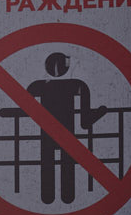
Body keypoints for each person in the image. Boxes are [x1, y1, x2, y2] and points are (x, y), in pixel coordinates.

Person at [25, 52, 107, 204]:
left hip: (46, 136)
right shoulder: (78, 85)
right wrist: (102, 111)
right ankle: (67, 198)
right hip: (69, 137)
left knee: (47, 164)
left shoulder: (36, 86)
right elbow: (85, 122)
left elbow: (24, 110)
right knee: (67, 168)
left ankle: (47, 198)